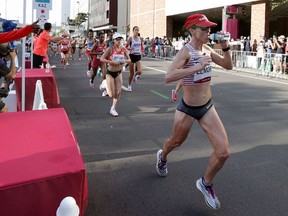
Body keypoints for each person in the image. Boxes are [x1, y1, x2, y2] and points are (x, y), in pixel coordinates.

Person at [155, 13, 233, 210]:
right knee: (176, 142)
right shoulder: (186, 52)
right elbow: (168, 76)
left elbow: (228, 66)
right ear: (191, 30)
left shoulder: (207, 49)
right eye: (204, 28)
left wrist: (225, 48)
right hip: (188, 109)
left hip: (207, 107)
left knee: (223, 153)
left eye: (209, 28)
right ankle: (162, 156)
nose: (209, 32)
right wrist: (195, 67)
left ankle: (205, 183)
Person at [100, 33, 131, 117]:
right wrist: (111, 62)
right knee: (110, 94)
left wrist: (123, 61)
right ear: (113, 40)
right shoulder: (110, 49)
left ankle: (113, 108)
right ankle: (105, 83)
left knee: (118, 92)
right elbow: (102, 58)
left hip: (118, 72)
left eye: (120, 39)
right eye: (117, 39)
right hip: (110, 72)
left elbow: (129, 59)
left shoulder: (123, 49)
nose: (119, 41)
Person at [125, 26, 143, 92]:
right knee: (131, 73)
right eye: (135, 30)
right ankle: (129, 85)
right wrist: (130, 48)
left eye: (138, 30)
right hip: (132, 56)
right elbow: (125, 47)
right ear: (133, 31)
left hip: (138, 56)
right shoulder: (130, 38)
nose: (137, 31)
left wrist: (142, 51)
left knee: (140, 71)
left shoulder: (140, 38)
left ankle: (135, 76)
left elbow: (141, 46)